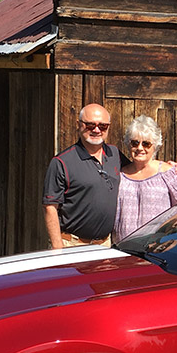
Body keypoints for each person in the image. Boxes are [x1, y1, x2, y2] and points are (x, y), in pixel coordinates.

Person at [43, 103, 121, 248]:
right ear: (78, 124)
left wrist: (167, 167)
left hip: (105, 245)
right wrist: (57, 248)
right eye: (90, 125)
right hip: (72, 244)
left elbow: (138, 168)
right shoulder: (62, 162)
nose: (97, 130)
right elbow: (50, 207)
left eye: (102, 126)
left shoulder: (114, 154)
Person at [113, 116, 177, 242]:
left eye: (146, 143)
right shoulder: (120, 175)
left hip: (157, 246)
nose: (140, 148)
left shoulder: (168, 173)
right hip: (123, 247)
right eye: (135, 143)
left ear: (155, 146)